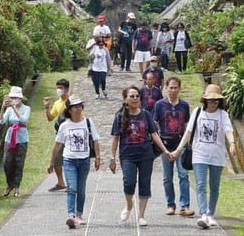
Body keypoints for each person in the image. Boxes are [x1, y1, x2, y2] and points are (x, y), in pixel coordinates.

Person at [171, 84, 236, 229]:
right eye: (210, 100)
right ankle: (204, 215)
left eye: (216, 101)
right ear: (205, 100)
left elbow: (228, 130)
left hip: (216, 156)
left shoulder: (222, 115)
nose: (213, 103)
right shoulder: (198, 112)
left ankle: (211, 214)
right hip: (199, 154)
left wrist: (232, 143)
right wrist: (178, 149)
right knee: (200, 185)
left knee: (214, 187)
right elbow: (188, 133)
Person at [109, 86, 170, 227]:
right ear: (125, 99)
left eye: (137, 96)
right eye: (132, 96)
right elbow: (115, 138)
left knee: (144, 184)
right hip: (127, 156)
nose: (135, 98)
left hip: (145, 155)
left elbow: (154, 134)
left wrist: (165, 150)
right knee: (128, 182)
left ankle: (141, 215)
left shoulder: (146, 115)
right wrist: (112, 158)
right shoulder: (119, 117)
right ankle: (129, 205)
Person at [47, 95, 101, 229]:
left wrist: (98, 158)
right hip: (69, 160)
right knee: (72, 188)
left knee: (81, 190)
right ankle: (71, 215)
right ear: (69, 110)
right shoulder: (65, 125)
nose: (78, 109)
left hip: (84, 160)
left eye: (80, 106)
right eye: (75, 107)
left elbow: (95, 140)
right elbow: (57, 145)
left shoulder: (88, 122)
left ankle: (79, 214)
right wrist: (51, 162)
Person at [152, 77, 195, 217]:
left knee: (183, 175)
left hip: (180, 144)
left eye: (176, 87)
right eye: (171, 87)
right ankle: (170, 204)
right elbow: (155, 125)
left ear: (179, 88)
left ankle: (185, 206)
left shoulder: (184, 105)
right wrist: (160, 145)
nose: (173, 90)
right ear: (166, 88)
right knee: (167, 177)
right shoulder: (159, 105)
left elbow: (186, 125)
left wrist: (184, 144)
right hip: (165, 145)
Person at [0, 86, 31, 198]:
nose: (14, 99)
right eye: (12, 97)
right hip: (10, 136)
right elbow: (2, 121)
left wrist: (14, 108)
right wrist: (3, 108)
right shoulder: (8, 110)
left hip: (21, 137)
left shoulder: (26, 108)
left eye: (16, 97)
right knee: (7, 162)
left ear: (20, 98)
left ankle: (17, 186)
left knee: (19, 162)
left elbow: (23, 120)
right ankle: (9, 184)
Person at [43, 79, 70, 192]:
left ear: (67, 89)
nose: (59, 90)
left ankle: (71, 183)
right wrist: (47, 107)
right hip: (60, 134)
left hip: (69, 134)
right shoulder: (57, 103)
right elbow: (50, 118)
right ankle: (60, 182)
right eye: (57, 87)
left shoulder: (71, 102)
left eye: (61, 88)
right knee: (56, 159)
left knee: (69, 160)